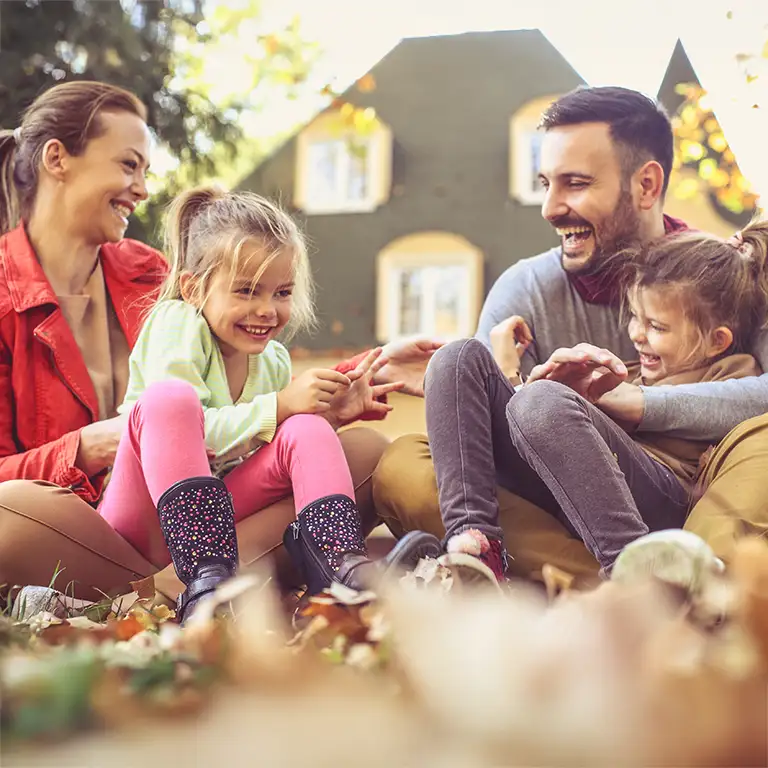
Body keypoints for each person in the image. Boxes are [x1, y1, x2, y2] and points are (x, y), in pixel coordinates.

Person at [0, 80, 438, 605]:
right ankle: (176, 589)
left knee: (362, 450)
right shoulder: (26, 293)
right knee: (11, 507)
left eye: (145, 171)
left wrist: (345, 386)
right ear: (58, 159)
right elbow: (205, 398)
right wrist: (88, 445)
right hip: (84, 517)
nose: (141, 188)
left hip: (209, 517)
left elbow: (243, 346)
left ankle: (192, 590)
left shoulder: (152, 272)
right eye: (128, 164)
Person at [373, 85, 768, 582]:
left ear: (646, 186)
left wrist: (637, 405)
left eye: (576, 184)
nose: (550, 208)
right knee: (449, 376)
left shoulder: (729, 281)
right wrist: (507, 377)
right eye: (545, 184)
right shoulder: (525, 287)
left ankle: (655, 575)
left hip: (676, 493)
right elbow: (487, 448)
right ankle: (482, 551)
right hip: (553, 496)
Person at [102, 185, 439, 622]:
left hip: (220, 525)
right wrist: (280, 406)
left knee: (308, 429)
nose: (266, 310)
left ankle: (338, 569)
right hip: (145, 516)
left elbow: (270, 458)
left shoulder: (274, 359)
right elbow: (186, 434)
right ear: (193, 288)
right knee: (172, 400)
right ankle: (204, 583)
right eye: (246, 291)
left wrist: (325, 415)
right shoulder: (177, 323)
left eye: (281, 293)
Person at [431, 222, 766, 582]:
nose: (637, 334)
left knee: (542, 401)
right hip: (578, 491)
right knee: (458, 357)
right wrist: (517, 381)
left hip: (662, 497)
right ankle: (478, 547)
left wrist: (560, 401)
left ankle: (633, 569)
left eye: (657, 326)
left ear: (717, 341)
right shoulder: (637, 370)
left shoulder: (735, 372)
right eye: (636, 317)